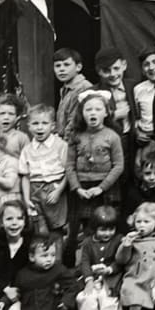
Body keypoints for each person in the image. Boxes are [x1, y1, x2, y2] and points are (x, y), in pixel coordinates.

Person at [66, 90, 124, 266]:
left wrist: (101, 187)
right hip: (82, 189)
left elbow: (118, 165)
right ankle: (81, 267)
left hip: (104, 189)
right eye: (88, 109)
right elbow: (69, 165)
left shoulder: (112, 136)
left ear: (106, 113)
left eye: (98, 109)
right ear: (82, 113)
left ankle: (106, 265)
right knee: (81, 231)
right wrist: (77, 188)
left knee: (105, 226)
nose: (93, 113)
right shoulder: (76, 136)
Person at [76, 205, 124, 310]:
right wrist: (89, 278)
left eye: (111, 229)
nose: (107, 233)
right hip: (93, 278)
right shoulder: (88, 243)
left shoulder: (118, 240)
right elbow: (84, 262)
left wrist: (110, 269)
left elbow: (120, 260)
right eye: (103, 229)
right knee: (87, 297)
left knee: (107, 298)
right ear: (94, 228)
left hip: (110, 279)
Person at [19, 104, 68, 240]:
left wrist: (58, 191)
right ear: (29, 126)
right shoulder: (27, 150)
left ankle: (56, 257)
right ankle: (41, 256)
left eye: (44, 123)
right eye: (35, 123)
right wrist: (27, 197)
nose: (39, 127)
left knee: (56, 227)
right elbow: (25, 176)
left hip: (54, 187)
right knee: (39, 228)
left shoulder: (60, 145)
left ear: (52, 126)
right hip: (35, 189)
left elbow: (69, 171)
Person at [94, 46, 136, 173]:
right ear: (99, 71)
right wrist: (114, 115)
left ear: (124, 65)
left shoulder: (135, 86)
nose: (113, 74)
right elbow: (87, 121)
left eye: (116, 68)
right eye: (106, 70)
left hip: (133, 142)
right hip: (108, 146)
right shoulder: (94, 93)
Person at [123, 147, 155, 221]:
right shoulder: (134, 193)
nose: (152, 178)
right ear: (141, 172)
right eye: (147, 173)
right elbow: (125, 217)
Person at [53, 47, 92, 140]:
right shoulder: (65, 89)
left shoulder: (83, 88)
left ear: (78, 67)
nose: (61, 69)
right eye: (57, 66)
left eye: (66, 65)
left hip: (75, 141)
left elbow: (74, 123)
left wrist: (62, 144)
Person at [0, 93, 29, 159]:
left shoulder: (22, 138)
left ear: (17, 117)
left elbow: (28, 159)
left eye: (11, 114)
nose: (6, 117)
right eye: (2, 113)